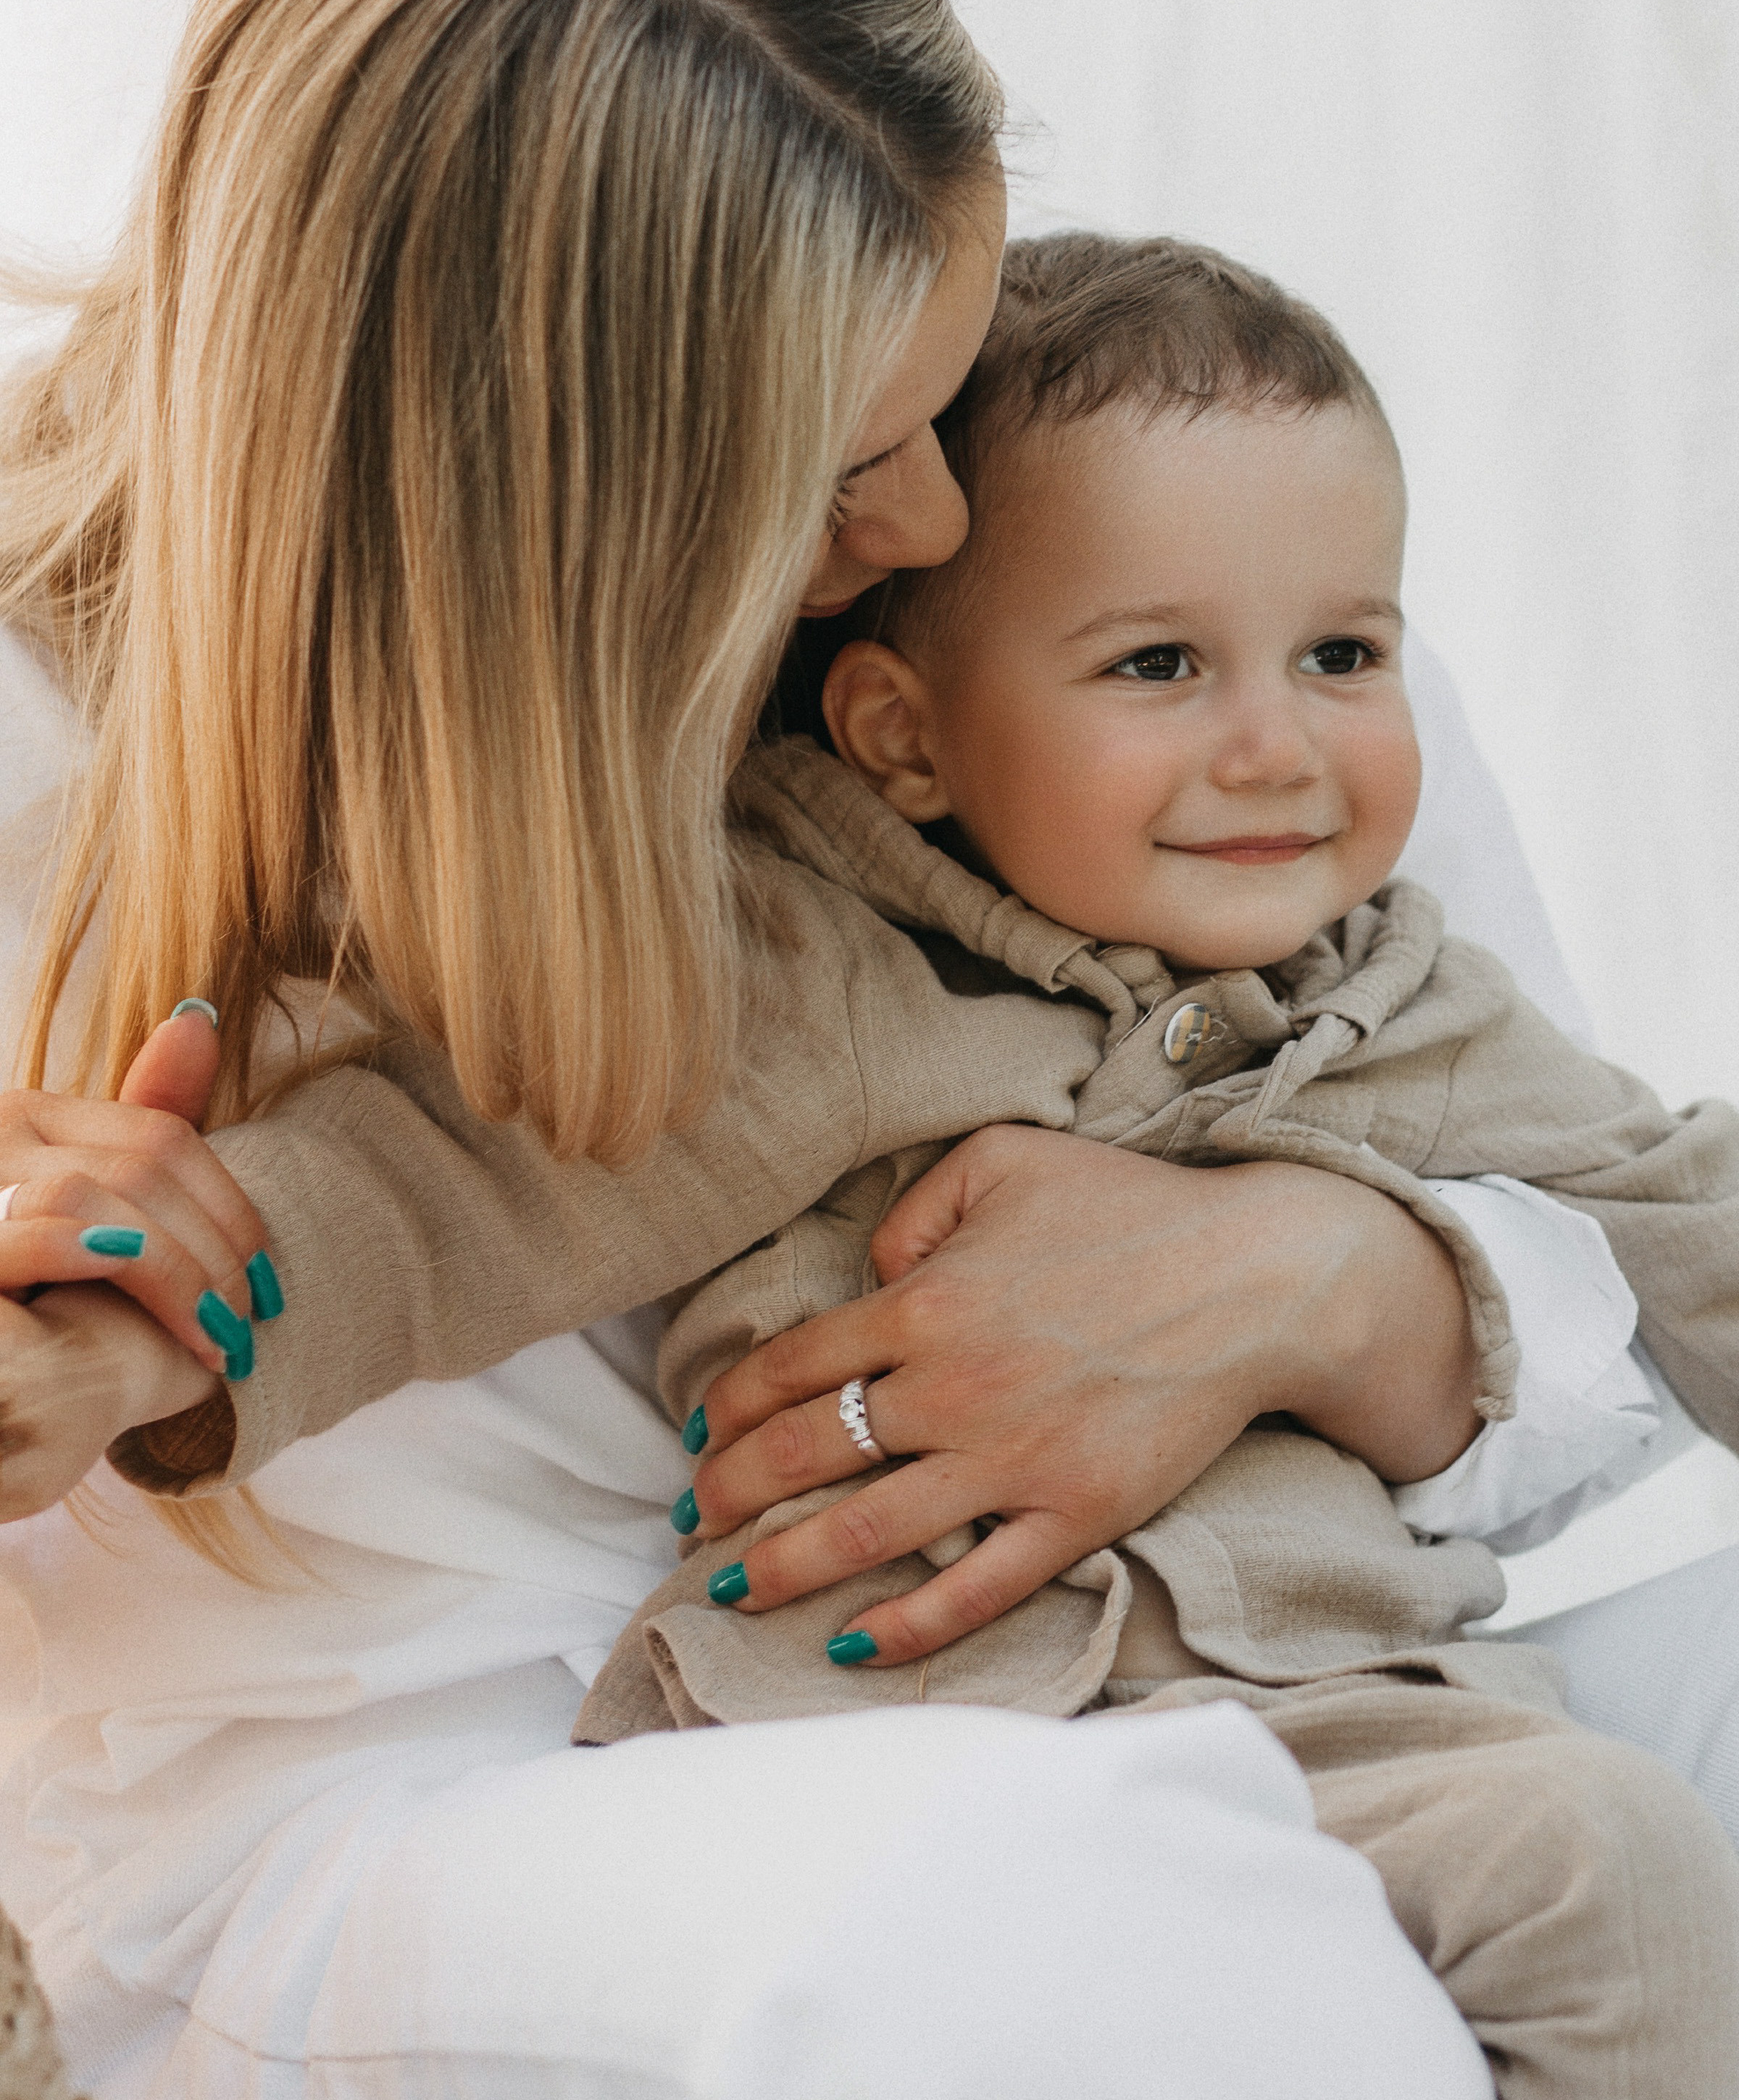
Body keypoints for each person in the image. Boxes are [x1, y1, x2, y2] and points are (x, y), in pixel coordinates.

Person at [0, 0, 1682, 2097]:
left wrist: (1324, 1285)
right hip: (424, 1816)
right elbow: (426, 1199)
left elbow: (1604, 1265)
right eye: (826, 470)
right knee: (1111, 1953)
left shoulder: (1098, 579)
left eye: (942, 380)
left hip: (1259, 1642)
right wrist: (85, 1339)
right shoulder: (36, 768)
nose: (926, 516)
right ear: (533, 506)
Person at [572, 232, 1739, 2094]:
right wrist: (179, 1341)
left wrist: (1348, 1284)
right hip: (885, 1719)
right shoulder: (808, 973)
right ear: (903, 734)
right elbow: (446, 1189)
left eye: (1346, 653)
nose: (1279, 746)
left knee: (1611, 1860)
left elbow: (1687, 1211)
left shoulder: (1397, 992)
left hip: (1327, 1713)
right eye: (1163, 663)